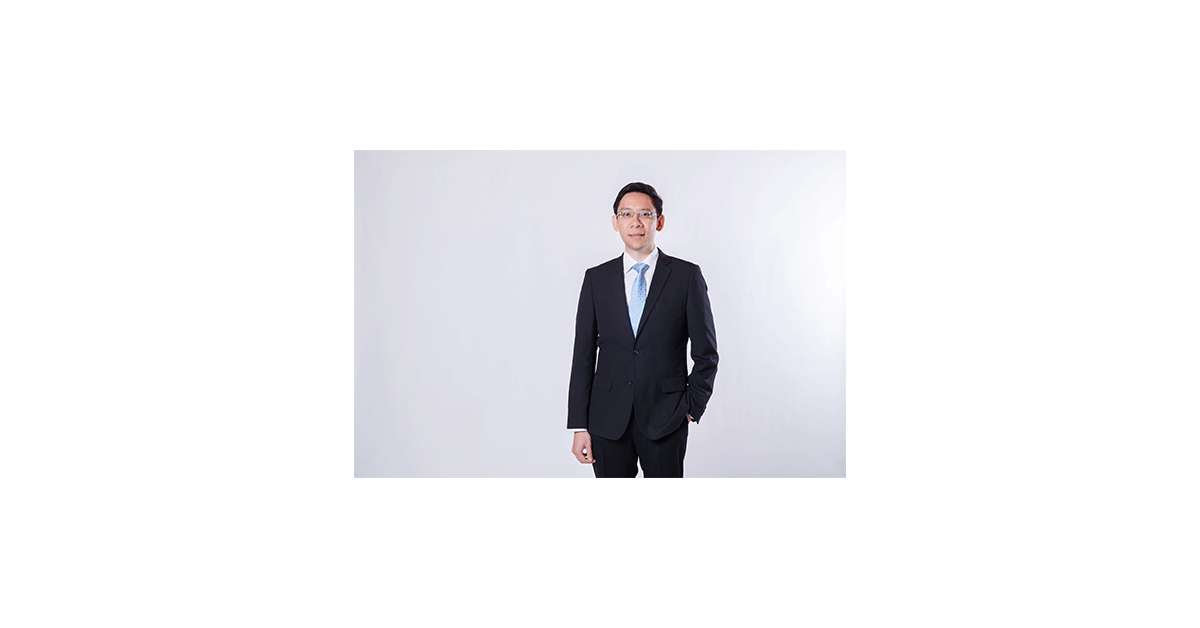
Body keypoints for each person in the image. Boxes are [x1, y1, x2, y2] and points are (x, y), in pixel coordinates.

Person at [567, 182, 718, 477]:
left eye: (645, 214)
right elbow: (582, 356)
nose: (635, 222)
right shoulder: (596, 279)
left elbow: (707, 354)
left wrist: (690, 407)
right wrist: (579, 425)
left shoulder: (686, 277)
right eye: (626, 214)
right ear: (616, 222)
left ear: (658, 221)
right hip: (606, 420)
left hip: (667, 418)